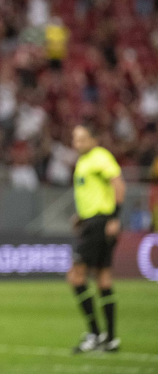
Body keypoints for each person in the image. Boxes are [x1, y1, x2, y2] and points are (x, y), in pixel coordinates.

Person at [68, 124, 125, 353]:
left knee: (75, 276)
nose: (77, 143)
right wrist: (81, 216)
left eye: (82, 139)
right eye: (75, 139)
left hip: (100, 223)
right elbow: (94, 193)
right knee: (103, 278)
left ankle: (94, 334)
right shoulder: (83, 162)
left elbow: (118, 183)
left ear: (94, 139)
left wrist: (113, 217)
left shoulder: (100, 157)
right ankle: (110, 339)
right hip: (92, 221)